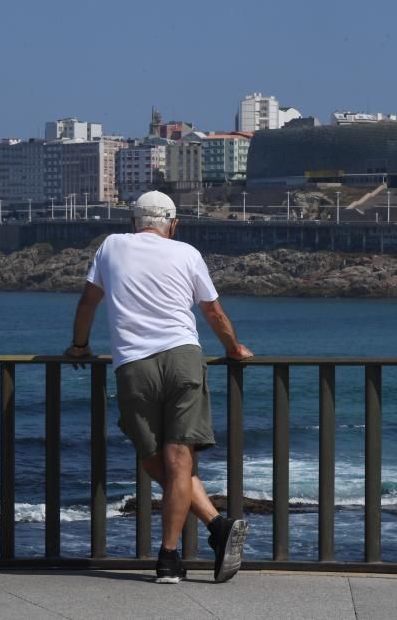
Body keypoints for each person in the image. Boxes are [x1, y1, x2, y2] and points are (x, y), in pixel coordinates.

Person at [65, 190, 253, 584]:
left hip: (133, 364)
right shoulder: (187, 253)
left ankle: (171, 557)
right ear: (173, 223)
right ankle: (215, 526)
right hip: (184, 356)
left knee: (153, 457)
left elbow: (88, 302)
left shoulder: (112, 246)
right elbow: (213, 311)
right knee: (177, 460)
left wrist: (80, 345)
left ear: (134, 222)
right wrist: (233, 348)